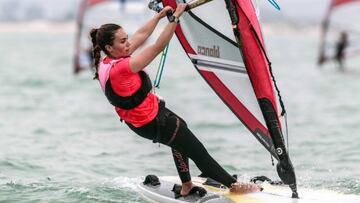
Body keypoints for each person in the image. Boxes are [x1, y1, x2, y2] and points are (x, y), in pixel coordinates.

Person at [90, 3, 261, 197]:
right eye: (123, 41)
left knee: (181, 133)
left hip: (146, 118)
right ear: (109, 47)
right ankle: (233, 186)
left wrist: (159, 16)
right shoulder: (121, 68)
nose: (128, 44)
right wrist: (175, 19)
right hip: (152, 121)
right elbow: (157, 47)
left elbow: (141, 35)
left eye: (126, 38)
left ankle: (186, 184)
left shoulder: (107, 61)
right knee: (196, 150)